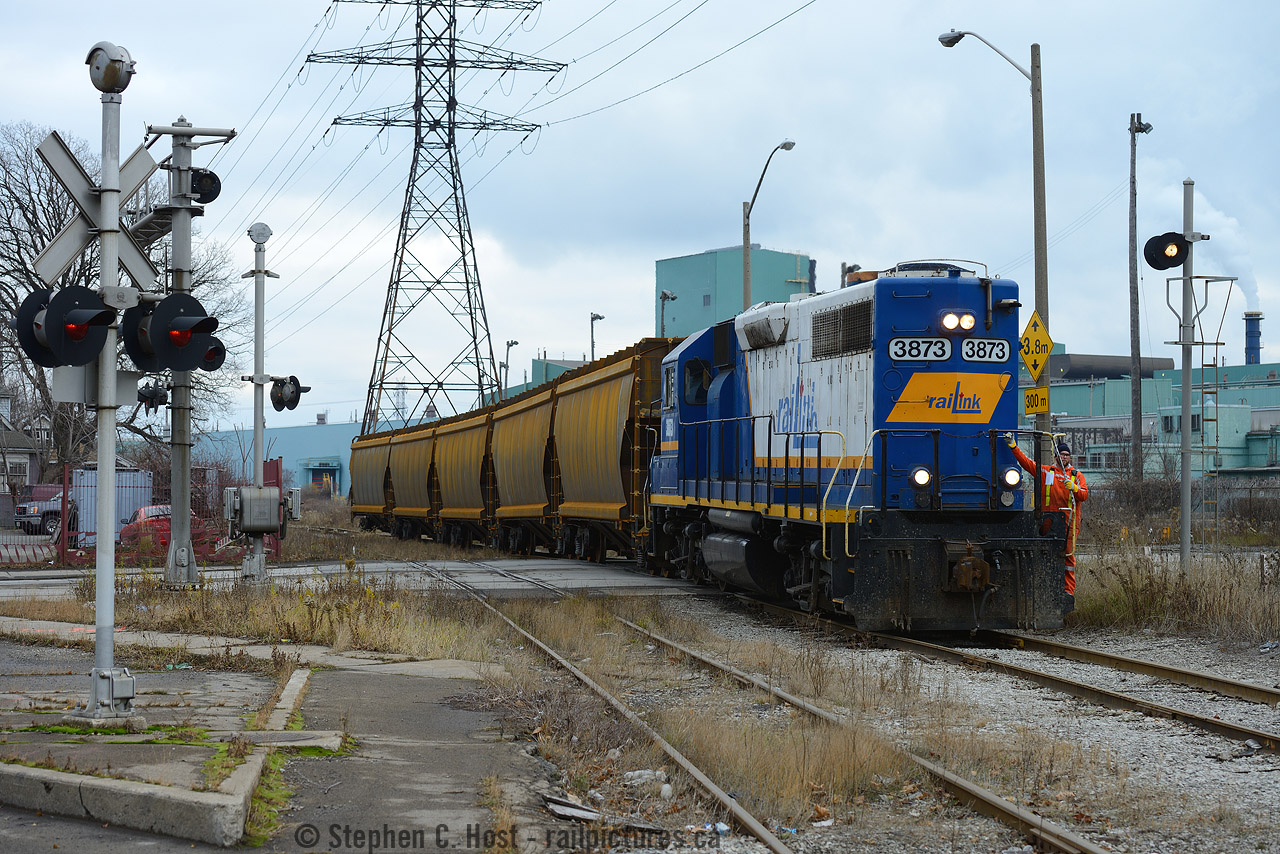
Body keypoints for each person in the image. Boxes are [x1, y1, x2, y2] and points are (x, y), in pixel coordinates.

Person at [1004, 435, 1088, 595]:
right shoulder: (1045, 471)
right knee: (1045, 554)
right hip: (1048, 524)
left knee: (1068, 559)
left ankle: (1068, 593)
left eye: (1066, 455)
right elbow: (1027, 463)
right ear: (1056, 456)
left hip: (1069, 525)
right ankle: (1046, 588)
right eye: (1061, 455)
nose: (1064, 457)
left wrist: (1074, 488)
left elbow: (1084, 495)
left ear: (1070, 457)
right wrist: (1013, 446)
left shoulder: (1076, 476)